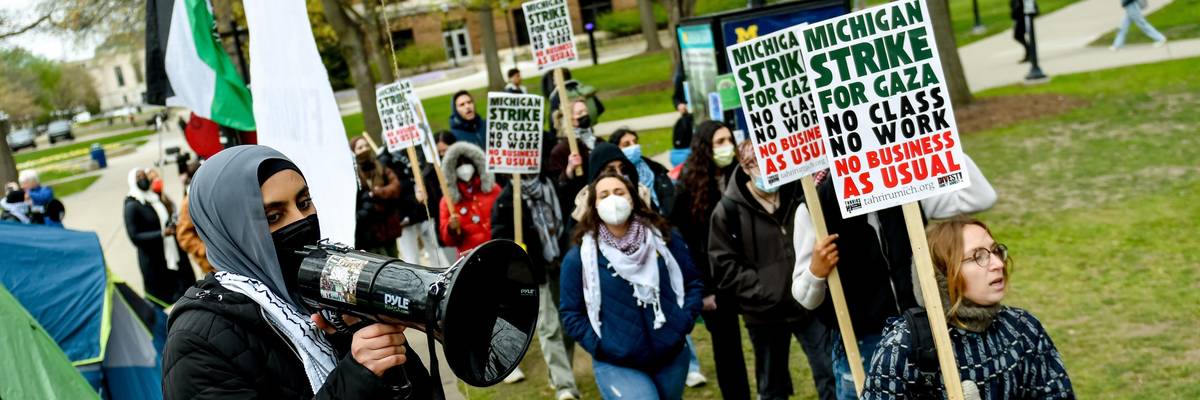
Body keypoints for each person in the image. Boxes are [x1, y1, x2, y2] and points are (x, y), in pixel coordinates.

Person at [163, 145, 433, 399]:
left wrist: (356, 331)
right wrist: (355, 377)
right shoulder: (195, 344)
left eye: (304, 203)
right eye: (273, 216)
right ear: (231, 232)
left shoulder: (317, 290)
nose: (301, 221)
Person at [791, 153, 997, 400]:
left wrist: (942, 143)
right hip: (862, 345)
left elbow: (980, 197)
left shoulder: (905, 184)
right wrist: (816, 272)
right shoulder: (815, 207)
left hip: (921, 333)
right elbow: (804, 296)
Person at [861, 217, 1075, 398]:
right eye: (978, 256)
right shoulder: (903, 347)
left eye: (995, 251)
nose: (998, 264)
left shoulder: (1022, 328)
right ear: (942, 273)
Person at [708, 141, 836, 400]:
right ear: (745, 167)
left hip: (808, 309)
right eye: (758, 164)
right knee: (772, 386)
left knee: (829, 374)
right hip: (764, 315)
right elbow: (724, 266)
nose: (768, 170)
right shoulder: (728, 211)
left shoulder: (798, 193)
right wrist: (765, 290)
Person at [559, 171, 704, 400]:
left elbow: (692, 282)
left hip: (671, 354)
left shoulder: (665, 238)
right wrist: (602, 346)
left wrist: (681, 322)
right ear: (593, 206)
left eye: (619, 192)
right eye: (604, 195)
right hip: (617, 362)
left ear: (633, 198)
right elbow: (571, 313)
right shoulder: (579, 258)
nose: (612, 200)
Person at [667, 120, 750, 400]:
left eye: (729, 140)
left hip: (748, 274)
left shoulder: (742, 176)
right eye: (719, 142)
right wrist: (703, 290)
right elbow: (684, 245)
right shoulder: (690, 188)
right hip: (714, 283)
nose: (727, 147)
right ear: (705, 147)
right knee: (728, 350)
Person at [491, 169, 581, 399]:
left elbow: (571, 215)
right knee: (549, 328)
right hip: (534, 272)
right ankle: (565, 386)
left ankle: (558, 373)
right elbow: (499, 240)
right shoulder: (505, 202)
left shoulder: (551, 185)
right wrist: (515, 252)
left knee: (568, 324)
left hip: (561, 263)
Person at [124, 168, 195, 308]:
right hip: (154, 260)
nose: (143, 179)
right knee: (162, 301)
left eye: (144, 176)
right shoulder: (132, 205)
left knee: (185, 292)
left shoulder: (153, 198)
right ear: (132, 181)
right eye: (139, 177)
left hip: (171, 252)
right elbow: (135, 237)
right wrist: (161, 234)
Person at [438, 142, 501, 255]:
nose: (464, 169)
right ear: (452, 171)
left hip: (499, 250)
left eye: (467, 163)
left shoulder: (493, 190)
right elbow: (448, 241)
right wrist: (451, 229)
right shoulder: (448, 201)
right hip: (472, 258)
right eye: (459, 166)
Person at [350, 137, 404, 257]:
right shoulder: (353, 173)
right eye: (360, 148)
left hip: (388, 226)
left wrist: (377, 192)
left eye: (366, 146)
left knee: (394, 260)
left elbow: (395, 186)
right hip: (370, 231)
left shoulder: (380, 166)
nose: (365, 149)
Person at [547, 99, 603, 211]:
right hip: (580, 205)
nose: (585, 115)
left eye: (585, 111)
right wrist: (569, 169)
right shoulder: (562, 149)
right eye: (580, 113)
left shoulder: (598, 142)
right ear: (569, 119)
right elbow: (558, 185)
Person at [610, 128, 676, 216]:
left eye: (635, 142)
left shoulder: (654, 166)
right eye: (627, 144)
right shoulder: (617, 175)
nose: (634, 146)